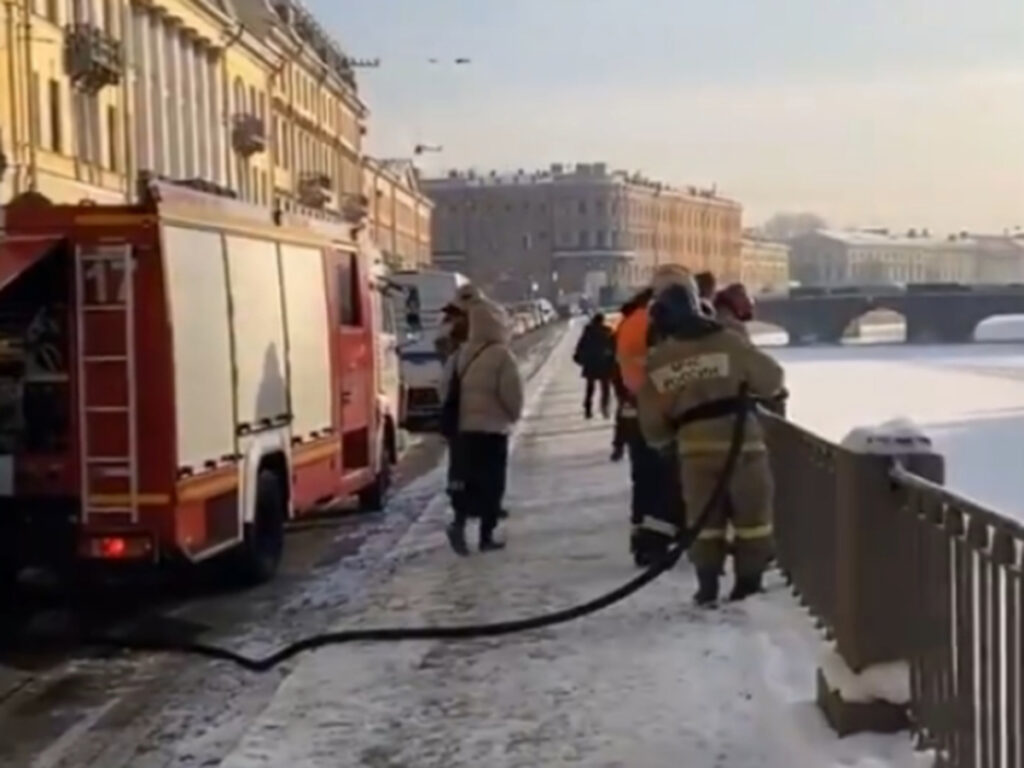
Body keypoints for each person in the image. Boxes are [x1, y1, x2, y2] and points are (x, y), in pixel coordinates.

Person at [637, 273, 786, 606]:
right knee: (753, 519)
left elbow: (651, 415)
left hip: (694, 449)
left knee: (704, 521)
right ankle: (748, 582)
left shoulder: (661, 359)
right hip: (743, 444)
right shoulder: (730, 342)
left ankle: (707, 584)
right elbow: (771, 379)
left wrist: (662, 443)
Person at [616, 269, 692, 567]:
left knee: (644, 480)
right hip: (662, 411)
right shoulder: (660, 322)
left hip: (635, 409)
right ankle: (657, 542)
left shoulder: (631, 321)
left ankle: (643, 537)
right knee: (666, 481)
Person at [441, 295, 524, 555]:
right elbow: (512, 393)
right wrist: (512, 415)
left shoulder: (459, 354)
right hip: (492, 430)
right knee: (491, 483)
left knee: (465, 480)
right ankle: (486, 536)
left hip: (464, 432)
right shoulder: (502, 356)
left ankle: (459, 522)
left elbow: (444, 388)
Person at [573, 313, 616, 419]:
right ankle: (605, 408)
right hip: (604, 363)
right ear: (602, 320)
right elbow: (613, 347)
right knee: (605, 388)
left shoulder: (587, 332)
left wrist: (581, 360)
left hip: (591, 364)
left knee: (590, 388)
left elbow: (580, 347)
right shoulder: (607, 331)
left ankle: (588, 408)